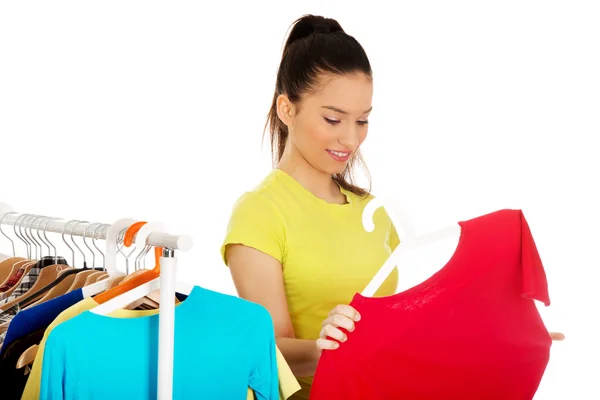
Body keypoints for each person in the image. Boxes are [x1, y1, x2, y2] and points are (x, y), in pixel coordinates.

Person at [221, 14, 400, 399]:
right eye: (333, 119)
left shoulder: (375, 213)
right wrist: (330, 348)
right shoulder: (260, 214)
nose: (351, 139)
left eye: (363, 121)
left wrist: (486, 341)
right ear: (287, 109)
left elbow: (402, 331)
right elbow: (267, 353)